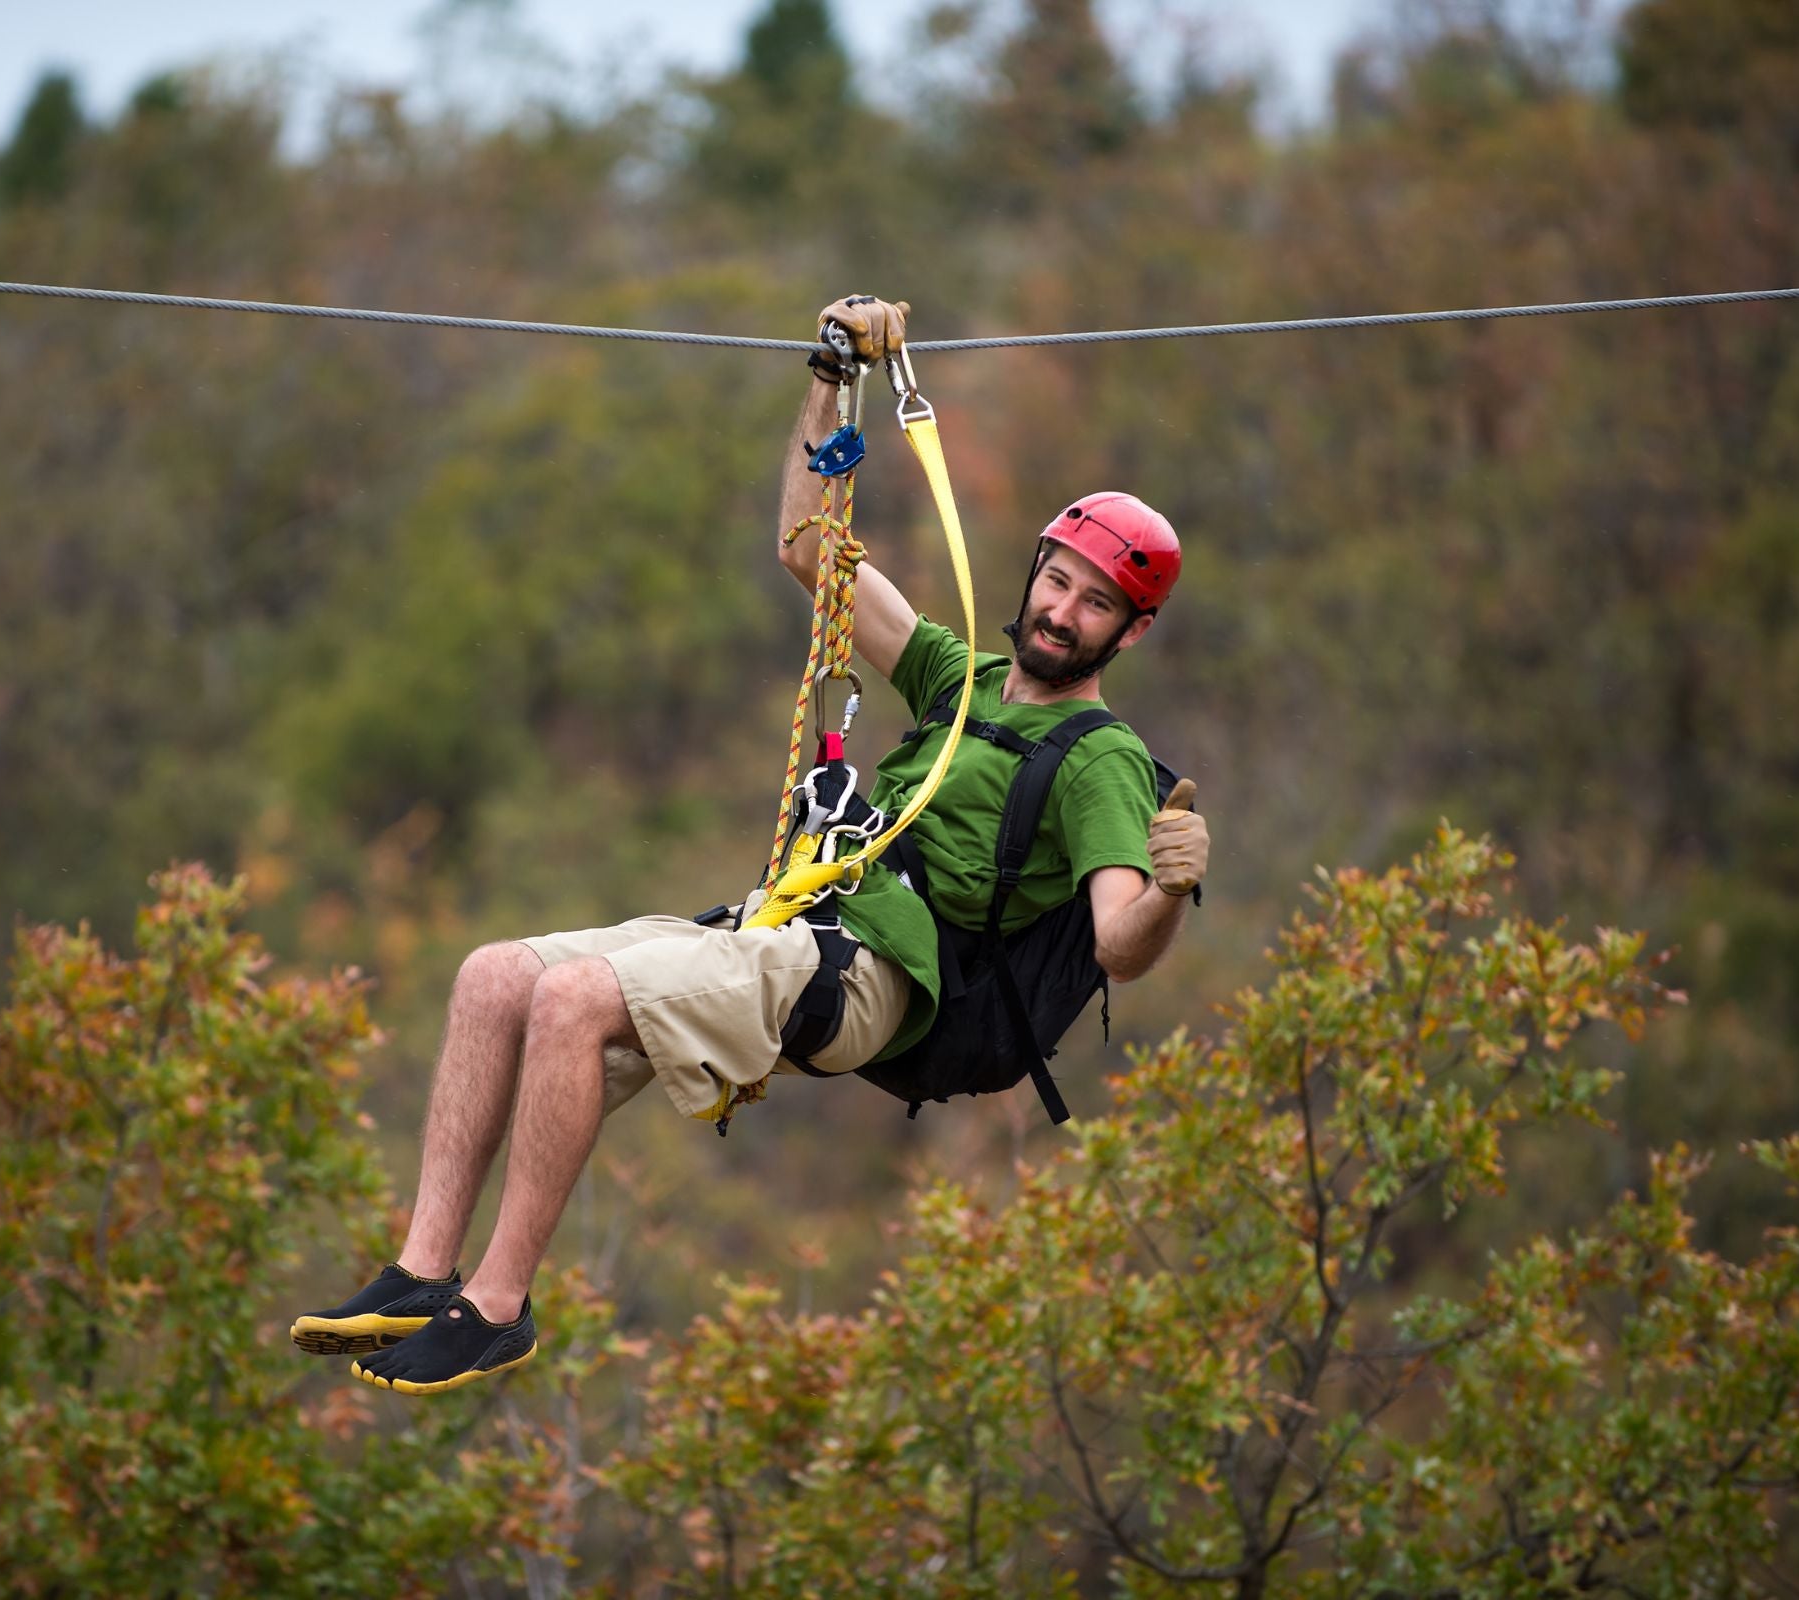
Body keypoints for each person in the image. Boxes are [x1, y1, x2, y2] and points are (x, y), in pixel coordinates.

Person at [289, 295, 1211, 1395]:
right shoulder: (957, 679)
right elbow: (808, 549)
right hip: (796, 920)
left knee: (576, 1000)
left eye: (1095, 603)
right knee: (496, 978)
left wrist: (1167, 887)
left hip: (880, 973)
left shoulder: (1100, 758)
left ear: (1131, 630)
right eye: (1059, 579)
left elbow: (1118, 942)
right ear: (1036, 569)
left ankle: (495, 1306)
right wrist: (827, 377)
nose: (1063, 611)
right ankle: (418, 1272)